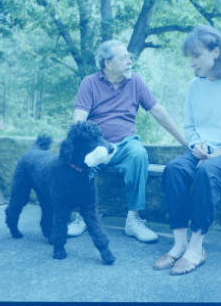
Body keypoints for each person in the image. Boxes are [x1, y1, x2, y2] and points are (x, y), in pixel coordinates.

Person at [153, 24, 221, 275]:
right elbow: (190, 127)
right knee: (173, 169)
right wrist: (196, 145)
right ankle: (179, 244)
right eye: (189, 57)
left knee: (207, 172)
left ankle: (196, 247)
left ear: (215, 52)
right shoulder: (195, 86)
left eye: (196, 55)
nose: (192, 63)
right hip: (205, 153)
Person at [68, 39, 188, 243]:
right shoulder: (89, 83)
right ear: (108, 63)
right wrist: (79, 146)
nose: (129, 61)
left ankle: (133, 220)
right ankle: (83, 216)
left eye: (129, 57)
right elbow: (79, 118)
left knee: (139, 154)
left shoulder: (136, 82)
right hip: (97, 144)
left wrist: (185, 142)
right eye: (123, 58)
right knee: (79, 162)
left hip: (125, 145)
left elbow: (158, 111)